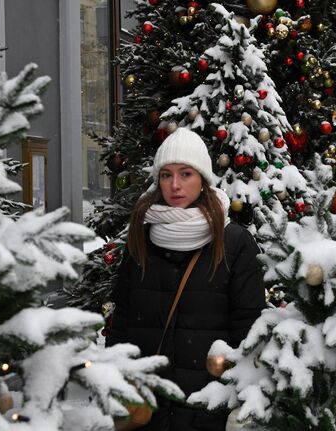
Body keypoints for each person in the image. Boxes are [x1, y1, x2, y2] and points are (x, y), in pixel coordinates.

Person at [106, 128, 265, 430]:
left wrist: (238, 397)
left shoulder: (233, 242)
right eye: (166, 175)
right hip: (147, 406)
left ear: (203, 179)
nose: (175, 185)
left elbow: (248, 328)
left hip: (206, 407)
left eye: (185, 174)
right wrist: (116, 378)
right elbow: (123, 318)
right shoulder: (142, 235)